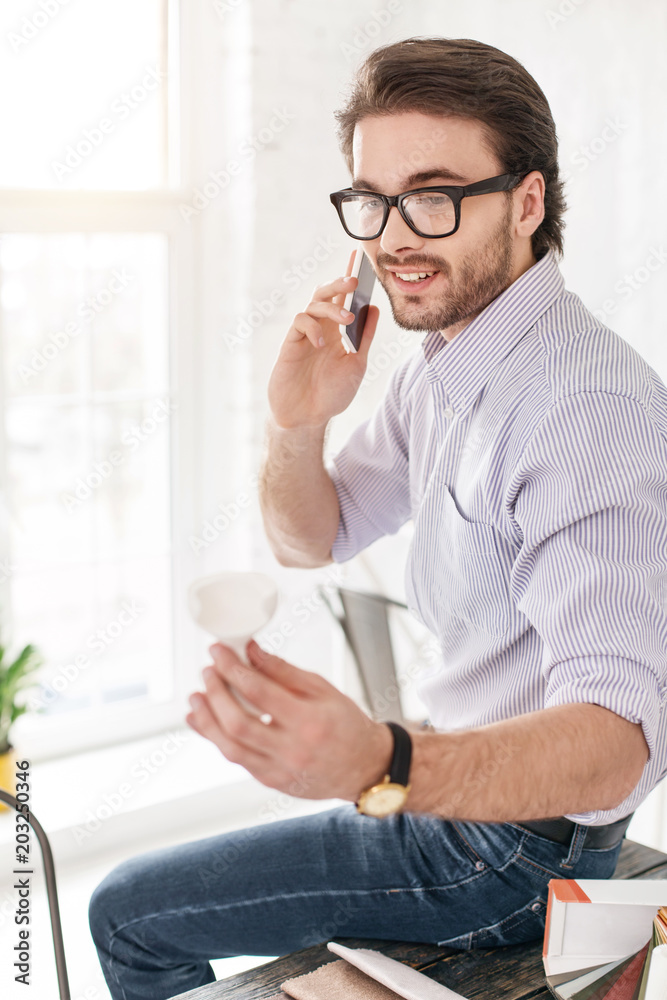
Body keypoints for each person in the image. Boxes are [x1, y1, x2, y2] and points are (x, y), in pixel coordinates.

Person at [89, 37, 667, 1000]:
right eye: (374, 200)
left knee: (125, 911)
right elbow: (310, 537)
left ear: (527, 203)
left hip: (516, 857)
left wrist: (382, 760)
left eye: (434, 196)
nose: (394, 236)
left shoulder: (580, 410)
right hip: (467, 810)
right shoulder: (449, 363)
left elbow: (615, 748)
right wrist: (298, 420)